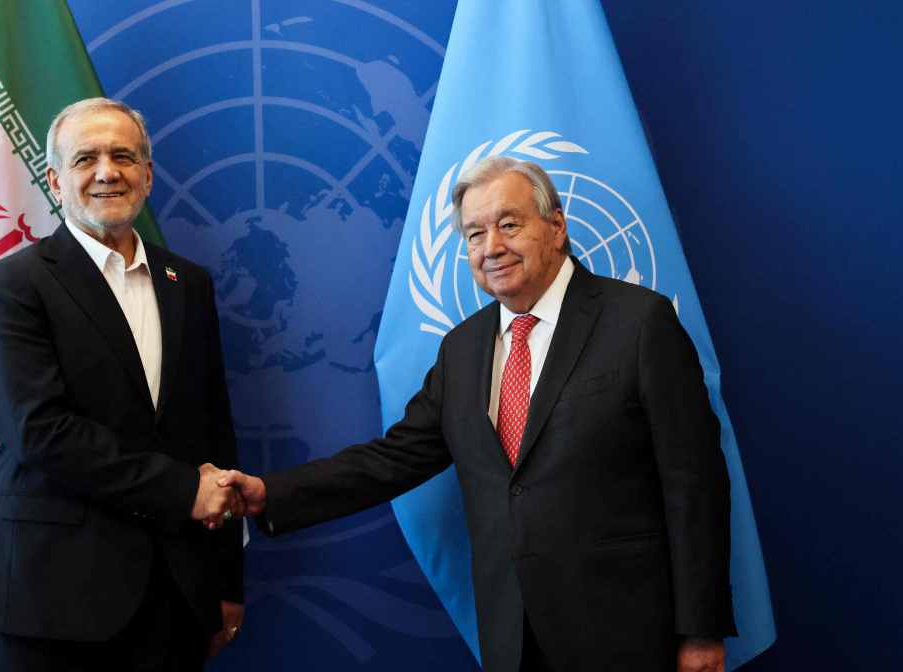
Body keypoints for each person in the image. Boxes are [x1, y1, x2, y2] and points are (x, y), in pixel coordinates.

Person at [226, 157, 735, 671]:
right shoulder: (462, 350)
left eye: (509, 224)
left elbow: (693, 484)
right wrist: (273, 493)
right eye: (474, 234)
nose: (491, 247)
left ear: (556, 227)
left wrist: (701, 631)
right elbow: (393, 459)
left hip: (629, 634)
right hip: (511, 635)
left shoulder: (639, 322)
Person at [0, 97, 245, 671]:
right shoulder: (13, 285)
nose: (106, 172)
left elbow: (213, 432)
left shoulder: (188, 284)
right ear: (54, 179)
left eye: (124, 156)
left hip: (175, 600)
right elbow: (38, 431)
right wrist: (179, 490)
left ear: (147, 175)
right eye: (85, 158)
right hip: (52, 604)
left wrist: (224, 579)